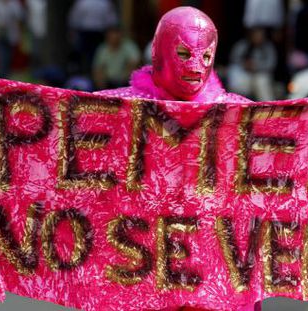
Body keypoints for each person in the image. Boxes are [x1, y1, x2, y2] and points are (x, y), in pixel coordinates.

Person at [97, 6, 260, 311]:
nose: (197, 66)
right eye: (185, 54)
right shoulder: (118, 109)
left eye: (206, 56)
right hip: (141, 261)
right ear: (159, 51)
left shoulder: (236, 115)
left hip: (208, 267)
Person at [227, 27, 277, 101]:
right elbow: (233, 59)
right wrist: (244, 64)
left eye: (261, 35)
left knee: (261, 81)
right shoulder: (243, 45)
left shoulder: (268, 47)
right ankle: (236, 103)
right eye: (256, 35)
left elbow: (271, 64)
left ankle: (267, 106)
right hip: (244, 74)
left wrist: (255, 66)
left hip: (260, 74)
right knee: (234, 71)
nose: (258, 37)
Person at [92, 25, 141, 90]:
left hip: (125, 82)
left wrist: (124, 79)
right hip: (107, 82)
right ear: (107, 37)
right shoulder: (102, 49)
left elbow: (135, 63)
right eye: (111, 35)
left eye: (117, 34)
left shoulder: (129, 46)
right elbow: (97, 68)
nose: (114, 38)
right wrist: (101, 82)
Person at [0, 0, 24, 79]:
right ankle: (1, 73)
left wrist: (20, 34)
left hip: (11, 32)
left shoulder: (14, 3)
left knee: (9, 54)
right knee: (0, 53)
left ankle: (5, 73)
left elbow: (19, 18)